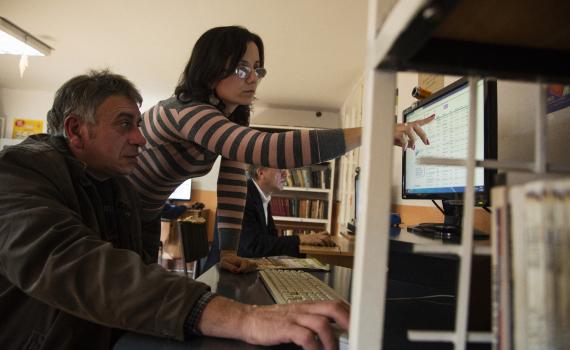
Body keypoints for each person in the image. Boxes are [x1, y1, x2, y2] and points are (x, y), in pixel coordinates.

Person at [1, 70, 349, 349]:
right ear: (76, 130)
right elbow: (75, 264)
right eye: (125, 124)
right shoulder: (18, 171)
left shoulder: (118, 186)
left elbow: (139, 273)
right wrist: (243, 318)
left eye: (138, 124)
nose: (140, 138)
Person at [126, 25, 434, 273]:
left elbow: (232, 184)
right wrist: (374, 132)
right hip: (113, 208)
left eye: (257, 69)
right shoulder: (189, 112)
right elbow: (268, 149)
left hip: (145, 215)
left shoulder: (226, 118)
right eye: (241, 68)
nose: (253, 79)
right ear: (210, 68)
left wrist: (230, 251)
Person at [204, 165, 335, 269]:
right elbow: (253, 246)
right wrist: (301, 238)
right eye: (281, 170)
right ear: (261, 173)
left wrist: (305, 240)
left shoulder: (261, 196)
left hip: (243, 268)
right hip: (222, 274)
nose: (286, 174)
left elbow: (269, 240)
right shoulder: (244, 196)